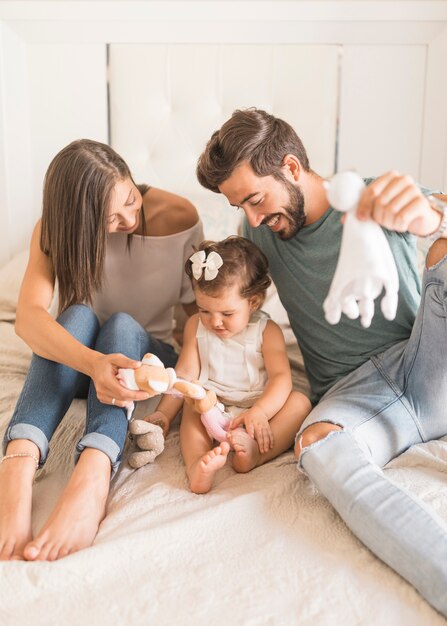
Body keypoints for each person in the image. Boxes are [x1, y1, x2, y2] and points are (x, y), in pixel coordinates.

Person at [196, 108, 447, 617]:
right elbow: (221, 291)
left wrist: (434, 218)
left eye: (255, 198)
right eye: (238, 206)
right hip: (357, 398)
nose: (252, 218)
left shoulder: (370, 197)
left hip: (425, 360)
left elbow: (431, 211)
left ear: (290, 167)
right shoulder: (262, 236)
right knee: (317, 446)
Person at [0, 139, 203, 561]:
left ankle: (93, 471)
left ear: (132, 177)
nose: (129, 217)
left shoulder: (179, 216)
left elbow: (196, 314)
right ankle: (18, 466)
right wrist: (93, 364)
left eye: (130, 199)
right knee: (75, 315)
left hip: (143, 363)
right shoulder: (53, 230)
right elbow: (29, 318)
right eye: (109, 218)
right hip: (78, 366)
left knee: (122, 325)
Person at [143, 236, 311, 494]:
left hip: (259, 406)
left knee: (299, 402)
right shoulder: (194, 327)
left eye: (227, 313)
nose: (215, 322)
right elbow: (185, 376)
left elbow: (281, 379)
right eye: (204, 311)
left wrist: (261, 412)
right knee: (191, 406)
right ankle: (197, 464)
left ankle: (255, 454)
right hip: (213, 403)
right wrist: (164, 413)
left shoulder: (267, 331)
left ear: (253, 302)